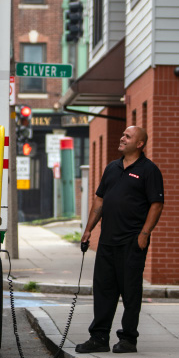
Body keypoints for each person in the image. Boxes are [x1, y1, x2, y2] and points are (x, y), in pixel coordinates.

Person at [76, 126, 164, 354]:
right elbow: (99, 201)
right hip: (107, 242)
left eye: (127, 136)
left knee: (131, 293)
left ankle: (128, 339)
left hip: (131, 243)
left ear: (140, 143)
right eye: (122, 134)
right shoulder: (112, 168)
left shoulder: (149, 170)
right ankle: (99, 338)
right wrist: (88, 231)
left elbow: (156, 204)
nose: (122, 138)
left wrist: (144, 234)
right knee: (103, 291)